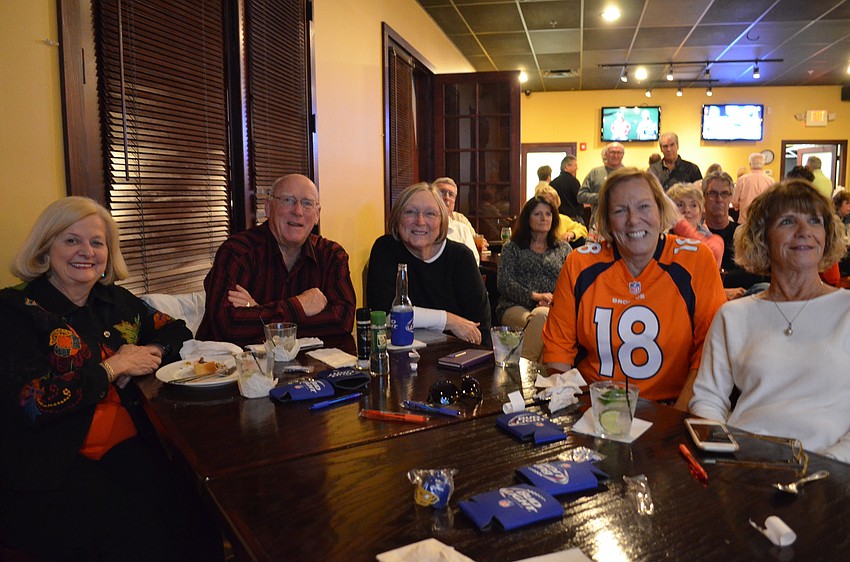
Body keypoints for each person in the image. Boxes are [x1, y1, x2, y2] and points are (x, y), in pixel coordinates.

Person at [0, 197, 223, 561]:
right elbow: (34, 402)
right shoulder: (14, 310)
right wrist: (112, 368)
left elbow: (177, 332)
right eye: (71, 240)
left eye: (97, 242)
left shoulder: (115, 301)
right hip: (52, 466)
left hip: (127, 448)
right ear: (45, 248)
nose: (86, 252)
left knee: (201, 514)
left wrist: (147, 352)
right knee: (140, 535)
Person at [690, 180, 850, 462]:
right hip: (745, 462)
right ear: (762, 238)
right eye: (788, 221)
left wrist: (830, 464)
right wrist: (722, 454)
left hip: (831, 469)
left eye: (814, 221)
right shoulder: (733, 316)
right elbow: (708, 399)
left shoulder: (845, 309)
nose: (804, 231)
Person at [542, 168, 726, 408]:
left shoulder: (696, 261)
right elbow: (558, 353)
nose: (633, 220)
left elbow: (710, 353)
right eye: (620, 210)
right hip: (595, 408)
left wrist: (676, 419)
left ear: (661, 210)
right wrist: (572, 413)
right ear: (606, 220)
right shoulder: (579, 264)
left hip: (672, 407)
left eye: (644, 207)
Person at [197, 174, 356, 346]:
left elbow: (343, 320)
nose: (297, 211)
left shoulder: (332, 256)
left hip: (307, 363)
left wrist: (259, 312)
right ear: (268, 208)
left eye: (307, 203)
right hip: (225, 362)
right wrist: (299, 306)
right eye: (288, 200)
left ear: (317, 215)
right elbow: (227, 326)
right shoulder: (237, 252)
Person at [367, 183, 491, 345]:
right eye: (410, 212)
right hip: (400, 351)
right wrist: (448, 320)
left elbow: (480, 329)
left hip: (455, 354)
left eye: (430, 214)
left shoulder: (461, 257)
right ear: (397, 218)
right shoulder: (385, 249)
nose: (420, 221)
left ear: (442, 221)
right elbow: (384, 314)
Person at [496, 196, 571, 360]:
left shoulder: (563, 249)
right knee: (541, 320)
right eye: (537, 214)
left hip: (552, 307)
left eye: (548, 214)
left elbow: (571, 283)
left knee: (542, 318)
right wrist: (534, 296)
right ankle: (528, 369)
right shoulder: (512, 247)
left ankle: (520, 370)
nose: (544, 218)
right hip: (514, 305)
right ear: (527, 218)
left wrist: (553, 301)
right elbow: (504, 282)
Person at [701, 171, 765, 298]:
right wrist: (722, 291)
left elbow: (756, 272)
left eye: (724, 194)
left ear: (731, 197)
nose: (719, 199)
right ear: (703, 197)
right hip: (706, 296)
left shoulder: (744, 234)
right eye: (713, 193)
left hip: (744, 297)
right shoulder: (695, 235)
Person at [667, 182, 724, 267]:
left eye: (693, 205)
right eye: (680, 205)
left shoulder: (708, 237)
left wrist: (681, 226)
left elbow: (712, 253)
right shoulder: (662, 235)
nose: (687, 210)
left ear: (701, 212)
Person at [433, 177, 482, 264]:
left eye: (451, 194)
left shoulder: (462, 230)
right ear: (431, 196)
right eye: (442, 192)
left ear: (454, 201)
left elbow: (474, 261)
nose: (446, 197)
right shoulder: (422, 227)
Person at [578, 142, 625, 227]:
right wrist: (601, 197)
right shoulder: (595, 173)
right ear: (606, 154)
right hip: (599, 224)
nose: (615, 155)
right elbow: (581, 196)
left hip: (623, 224)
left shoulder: (629, 174)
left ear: (623, 155)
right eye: (612, 152)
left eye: (618, 152)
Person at [731, 152, 773, 224]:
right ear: (763, 164)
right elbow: (773, 203)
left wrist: (738, 207)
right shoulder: (770, 181)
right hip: (763, 221)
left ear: (750, 164)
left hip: (744, 221)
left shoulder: (742, 180)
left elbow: (734, 202)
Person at [549, 154, 585, 224]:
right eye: (575, 165)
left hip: (558, 218)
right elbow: (579, 199)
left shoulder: (553, 183)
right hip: (573, 219)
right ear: (567, 166)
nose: (577, 168)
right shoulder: (574, 182)